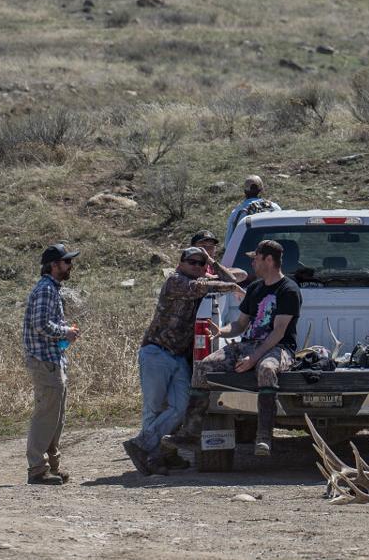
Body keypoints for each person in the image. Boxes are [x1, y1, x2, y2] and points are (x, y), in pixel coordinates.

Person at [169, 240, 302, 457]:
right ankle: (191, 433)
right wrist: (221, 331)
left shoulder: (289, 289)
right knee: (204, 367)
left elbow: (278, 332)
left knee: (267, 370)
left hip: (278, 348)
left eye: (256, 259)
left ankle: (264, 438)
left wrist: (254, 358)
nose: (252, 263)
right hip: (249, 345)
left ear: (269, 260)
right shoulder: (256, 289)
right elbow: (240, 325)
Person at [124, 248, 243, 475]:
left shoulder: (201, 276)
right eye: (192, 262)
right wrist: (230, 286)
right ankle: (153, 458)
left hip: (178, 356)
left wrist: (212, 262)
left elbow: (233, 279)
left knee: (180, 408)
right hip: (157, 352)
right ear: (180, 263)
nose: (197, 267)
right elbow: (208, 287)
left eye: (201, 264)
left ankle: (142, 445)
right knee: (155, 408)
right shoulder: (175, 281)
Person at [22, 244, 81, 485]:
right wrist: (65, 332)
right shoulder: (46, 289)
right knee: (47, 415)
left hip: (52, 360)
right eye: (66, 262)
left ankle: (51, 466)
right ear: (54, 265)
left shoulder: (51, 289)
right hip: (45, 362)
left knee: (56, 416)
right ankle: (37, 469)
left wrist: (65, 334)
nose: (70, 266)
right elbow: (41, 325)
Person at [225, 175, 281, 244]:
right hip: (274, 251)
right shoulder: (275, 208)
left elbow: (228, 243)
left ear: (245, 191)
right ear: (261, 190)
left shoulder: (237, 212)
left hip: (247, 252)